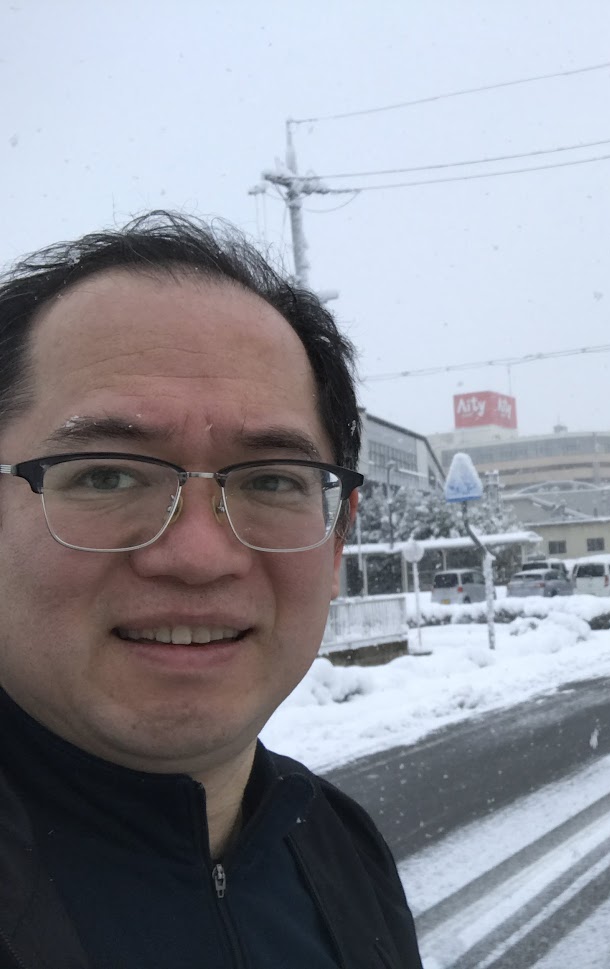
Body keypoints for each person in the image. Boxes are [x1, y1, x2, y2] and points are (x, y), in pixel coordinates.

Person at [0, 212, 423, 967]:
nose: (198, 555)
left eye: (269, 479)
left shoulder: (335, 845)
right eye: (106, 472)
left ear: (336, 541)